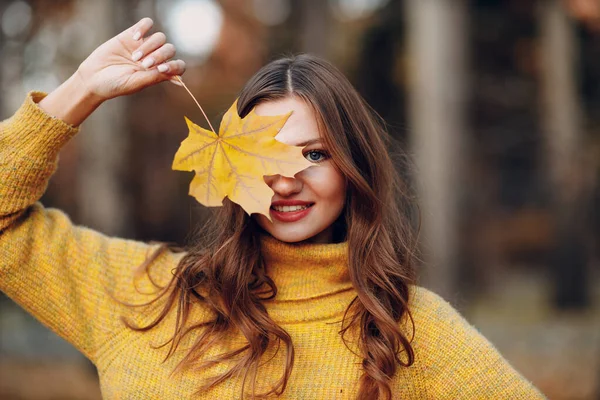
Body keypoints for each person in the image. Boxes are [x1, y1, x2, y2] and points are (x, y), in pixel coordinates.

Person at [0, 18, 545, 400]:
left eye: (315, 153)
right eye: (266, 152)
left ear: (353, 167)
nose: (287, 180)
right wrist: (77, 92)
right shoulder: (144, 291)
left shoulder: (411, 331)